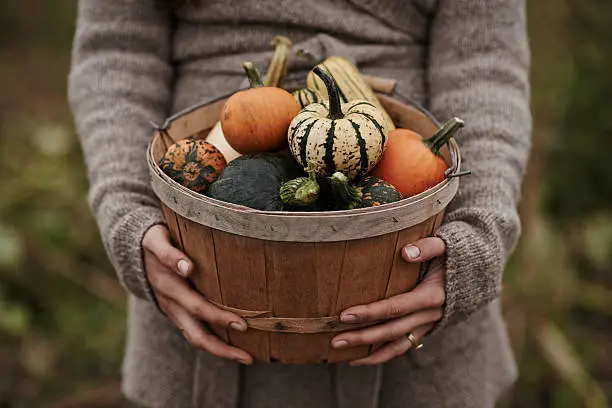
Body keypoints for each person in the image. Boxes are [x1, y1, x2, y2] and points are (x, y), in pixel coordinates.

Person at [68, 0, 531, 407]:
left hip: (416, 264)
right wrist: (129, 215)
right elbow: (117, 51)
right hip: (197, 254)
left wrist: (475, 237)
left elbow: (485, 62)